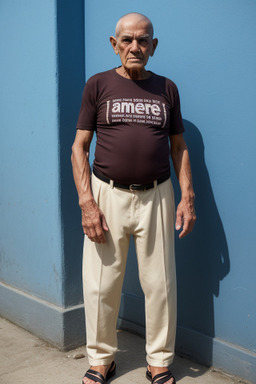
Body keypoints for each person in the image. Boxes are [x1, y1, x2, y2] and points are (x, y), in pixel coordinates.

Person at [71, 12, 196, 384]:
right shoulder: (98, 85)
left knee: (160, 284)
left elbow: (179, 146)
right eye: (127, 40)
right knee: (100, 285)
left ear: (153, 46)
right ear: (114, 44)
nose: (135, 47)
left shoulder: (167, 89)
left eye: (143, 40)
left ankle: (158, 361)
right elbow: (79, 147)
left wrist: (186, 194)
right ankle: (101, 359)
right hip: (107, 195)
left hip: (157, 195)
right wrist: (86, 202)